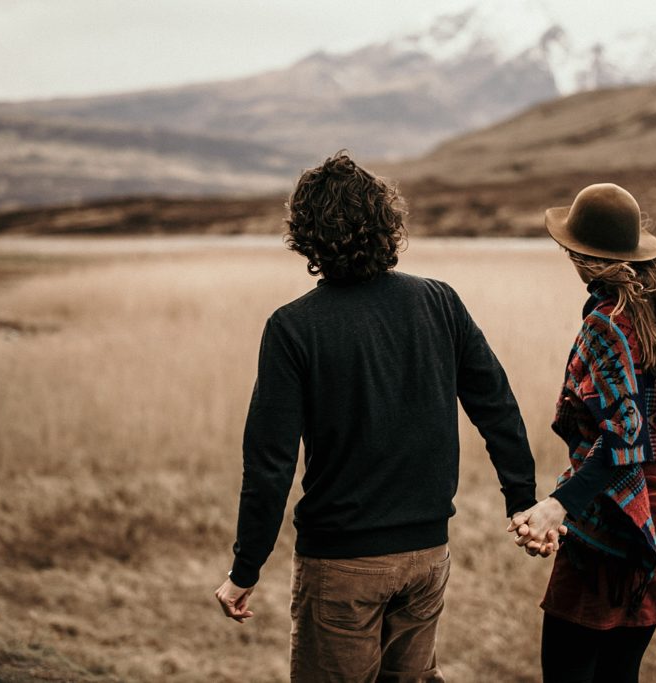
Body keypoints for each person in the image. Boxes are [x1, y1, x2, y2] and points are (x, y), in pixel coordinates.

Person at [214, 151, 539, 682]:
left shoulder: (293, 328)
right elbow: (495, 403)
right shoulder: (438, 302)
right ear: (388, 222)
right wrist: (521, 497)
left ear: (307, 235)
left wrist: (245, 568)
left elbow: (270, 463)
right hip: (427, 555)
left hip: (342, 564)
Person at [508, 183, 656, 682]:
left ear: (579, 255)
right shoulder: (655, 322)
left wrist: (558, 504)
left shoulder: (606, 325)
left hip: (613, 529)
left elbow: (624, 439)